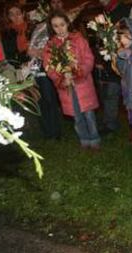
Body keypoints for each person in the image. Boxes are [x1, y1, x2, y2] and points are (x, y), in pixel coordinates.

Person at [43, 11, 100, 149]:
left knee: (88, 114)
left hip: (83, 84)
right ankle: (84, 140)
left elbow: (88, 59)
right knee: (76, 115)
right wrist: (61, 79)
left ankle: (94, 139)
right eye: (55, 26)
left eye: (62, 25)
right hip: (66, 87)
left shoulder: (79, 40)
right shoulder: (50, 46)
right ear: (51, 28)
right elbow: (48, 67)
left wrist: (78, 71)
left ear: (68, 23)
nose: (60, 29)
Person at [95, 0, 132, 135]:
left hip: (125, 60)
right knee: (110, 92)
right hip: (109, 61)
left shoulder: (124, 10)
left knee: (127, 95)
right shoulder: (105, 13)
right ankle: (110, 123)